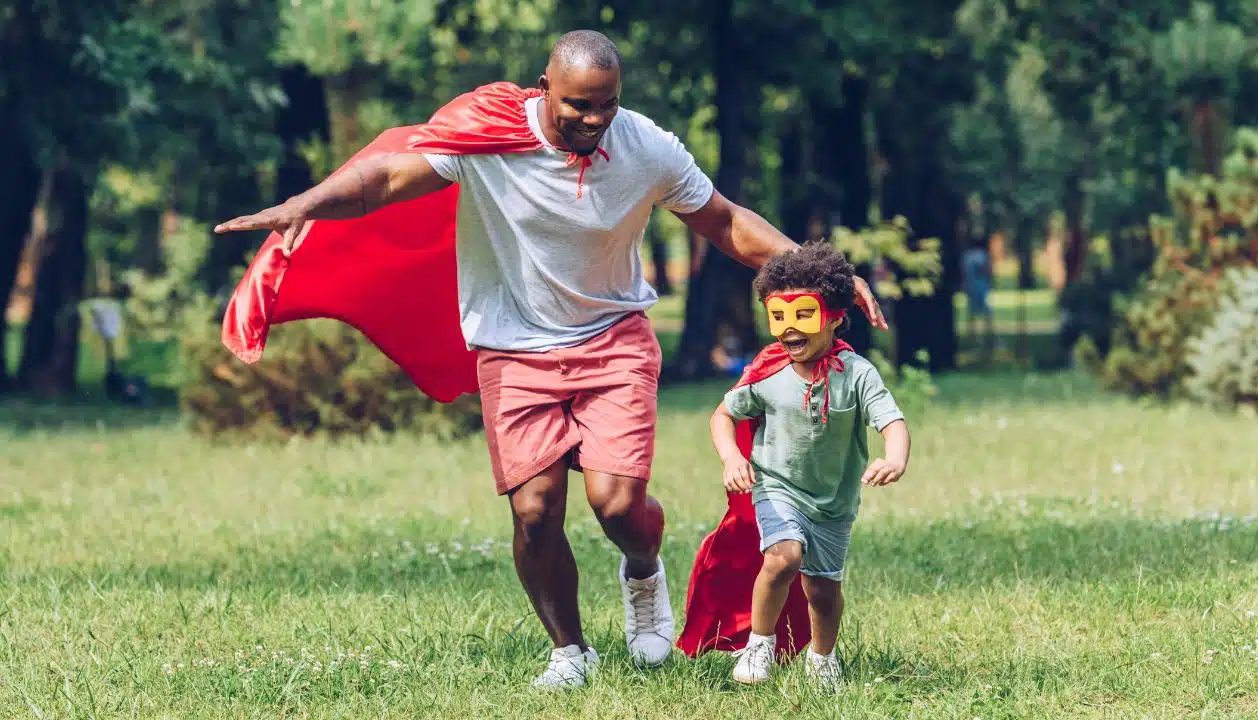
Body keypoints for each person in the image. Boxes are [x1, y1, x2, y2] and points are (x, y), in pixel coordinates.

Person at [214, 30, 888, 690]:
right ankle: (571, 651)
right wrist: (309, 202)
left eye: (607, 104)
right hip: (512, 348)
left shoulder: (646, 146)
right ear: (545, 90)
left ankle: (644, 570)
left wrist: (816, 271)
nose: (594, 119)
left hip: (613, 340)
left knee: (617, 506)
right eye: (578, 106)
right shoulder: (489, 138)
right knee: (535, 511)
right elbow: (386, 176)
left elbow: (723, 220)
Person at [705, 241, 911, 690]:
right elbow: (724, 414)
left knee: (823, 590)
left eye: (803, 316)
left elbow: (892, 422)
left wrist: (894, 457)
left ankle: (822, 658)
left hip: (834, 501)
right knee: (784, 557)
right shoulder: (768, 374)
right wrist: (732, 457)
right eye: (778, 317)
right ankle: (760, 645)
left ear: (835, 317)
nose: (788, 330)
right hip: (777, 487)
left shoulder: (857, 374)